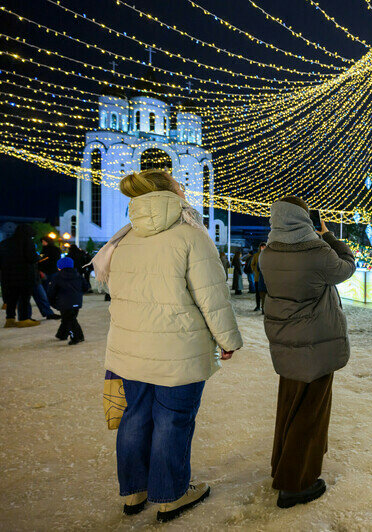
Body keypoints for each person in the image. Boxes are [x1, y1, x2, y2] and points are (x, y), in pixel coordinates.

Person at [93, 169, 242, 522]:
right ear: (171, 193)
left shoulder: (124, 238)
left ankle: (134, 491)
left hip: (130, 350)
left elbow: (112, 291)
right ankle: (170, 494)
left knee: (135, 417)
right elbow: (212, 297)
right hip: (178, 350)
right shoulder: (191, 235)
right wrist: (228, 339)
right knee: (172, 420)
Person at [258, 196, 355, 509]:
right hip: (315, 344)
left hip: (285, 342)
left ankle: (281, 467)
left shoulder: (267, 254)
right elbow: (347, 267)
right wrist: (327, 235)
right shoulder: (316, 252)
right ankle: (296, 483)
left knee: (289, 406)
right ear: (303, 219)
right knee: (310, 412)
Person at [0, 224, 41, 328]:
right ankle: (24, 319)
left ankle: (10, 319)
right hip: (24, 275)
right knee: (24, 298)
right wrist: (37, 257)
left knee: (11, 298)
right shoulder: (26, 241)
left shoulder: (5, 243)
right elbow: (31, 257)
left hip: (8, 276)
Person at [47, 256, 89, 344]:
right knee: (68, 318)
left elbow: (52, 291)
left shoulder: (57, 277)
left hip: (64, 303)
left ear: (60, 267)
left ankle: (77, 337)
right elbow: (86, 287)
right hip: (77, 302)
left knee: (70, 320)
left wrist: (53, 302)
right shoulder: (78, 275)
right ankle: (62, 334)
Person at [252, 242, 267, 312]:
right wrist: (255, 271)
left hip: (266, 278)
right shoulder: (256, 255)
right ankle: (258, 306)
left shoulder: (268, 255)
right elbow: (252, 264)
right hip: (258, 278)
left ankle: (264, 307)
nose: (263, 248)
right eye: (262, 247)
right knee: (258, 293)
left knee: (265, 294)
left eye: (264, 247)